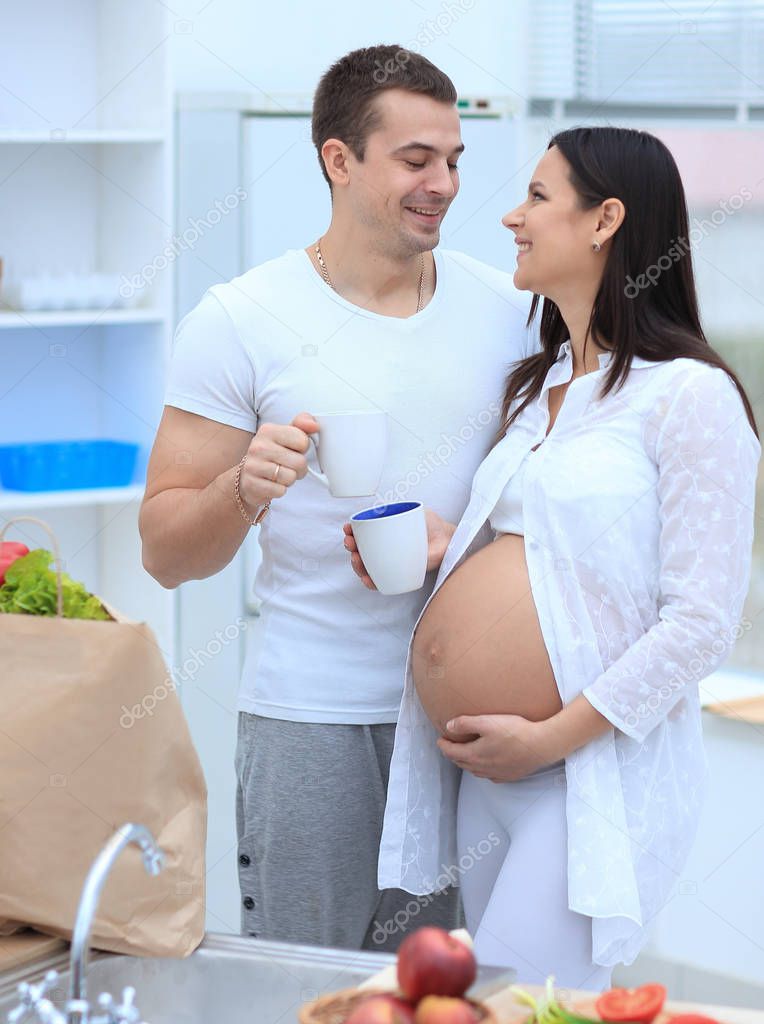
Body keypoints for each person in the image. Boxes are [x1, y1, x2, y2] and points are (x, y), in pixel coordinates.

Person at [139, 44, 538, 951]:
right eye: (415, 159)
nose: (444, 184)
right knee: (304, 984)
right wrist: (242, 488)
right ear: (338, 159)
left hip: (468, 716)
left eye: (454, 160)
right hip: (311, 721)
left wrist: (464, 548)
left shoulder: (511, 313)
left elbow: (557, 513)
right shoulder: (241, 320)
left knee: (441, 990)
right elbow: (165, 554)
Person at [345, 126, 760, 986]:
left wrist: (547, 740)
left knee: (518, 1002)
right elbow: (550, 551)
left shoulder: (690, 396)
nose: (512, 217)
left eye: (537, 197)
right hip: (487, 775)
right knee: (495, 999)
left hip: (582, 776)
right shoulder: (540, 388)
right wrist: (450, 548)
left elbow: (702, 623)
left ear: (606, 220)